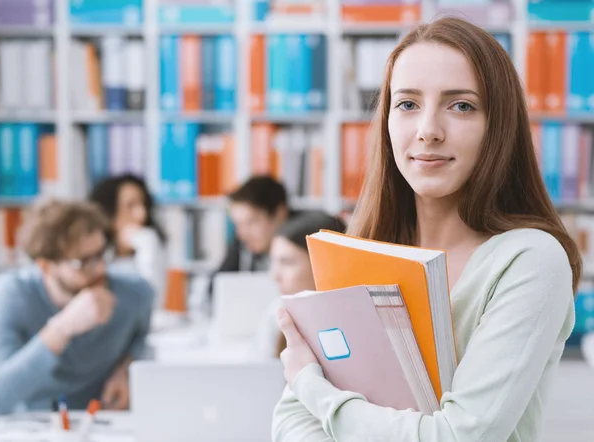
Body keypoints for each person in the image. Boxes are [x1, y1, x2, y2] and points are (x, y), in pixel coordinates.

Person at [272, 17, 581, 442]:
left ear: (499, 127)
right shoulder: (365, 249)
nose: (428, 131)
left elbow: (457, 436)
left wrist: (313, 387)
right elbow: (289, 424)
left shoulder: (530, 261)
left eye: (461, 106)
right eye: (408, 104)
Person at [0, 199, 153, 414]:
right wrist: (61, 328)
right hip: (35, 424)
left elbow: (141, 339)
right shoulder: (14, 295)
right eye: (83, 262)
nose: (100, 268)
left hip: (106, 422)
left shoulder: (135, 293)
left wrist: (125, 370)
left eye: (101, 254)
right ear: (46, 266)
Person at [254, 212, 346, 359]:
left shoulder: (348, 322)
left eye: (287, 262)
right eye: (274, 262)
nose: (275, 276)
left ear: (323, 265)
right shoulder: (276, 312)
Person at [89, 174, 167, 306]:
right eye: (130, 206)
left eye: (144, 205)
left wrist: (147, 247)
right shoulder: (91, 255)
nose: (141, 214)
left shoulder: (150, 245)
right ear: (109, 211)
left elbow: (152, 303)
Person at [219, 175, 291, 274]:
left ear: (280, 214)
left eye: (251, 222)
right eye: (238, 224)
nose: (241, 234)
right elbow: (217, 283)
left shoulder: (303, 251)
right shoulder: (242, 247)